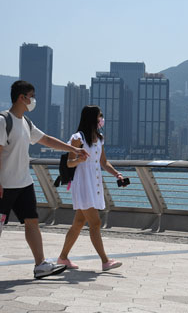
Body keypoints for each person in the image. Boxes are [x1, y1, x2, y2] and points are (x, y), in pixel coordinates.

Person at [0, 80, 90, 279]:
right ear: (22, 97)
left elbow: (46, 140)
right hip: (4, 183)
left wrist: (73, 149)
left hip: (24, 182)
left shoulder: (26, 122)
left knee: (32, 221)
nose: (33, 100)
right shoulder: (3, 120)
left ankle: (40, 265)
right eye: (31, 95)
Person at [57, 105, 125, 271]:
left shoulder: (99, 138)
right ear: (92, 118)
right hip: (82, 184)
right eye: (99, 117)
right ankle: (105, 261)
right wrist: (79, 160)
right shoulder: (77, 138)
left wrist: (116, 174)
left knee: (79, 222)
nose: (101, 120)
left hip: (94, 183)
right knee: (95, 222)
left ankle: (63, 257)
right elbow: (69, 162)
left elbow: (103, 162)